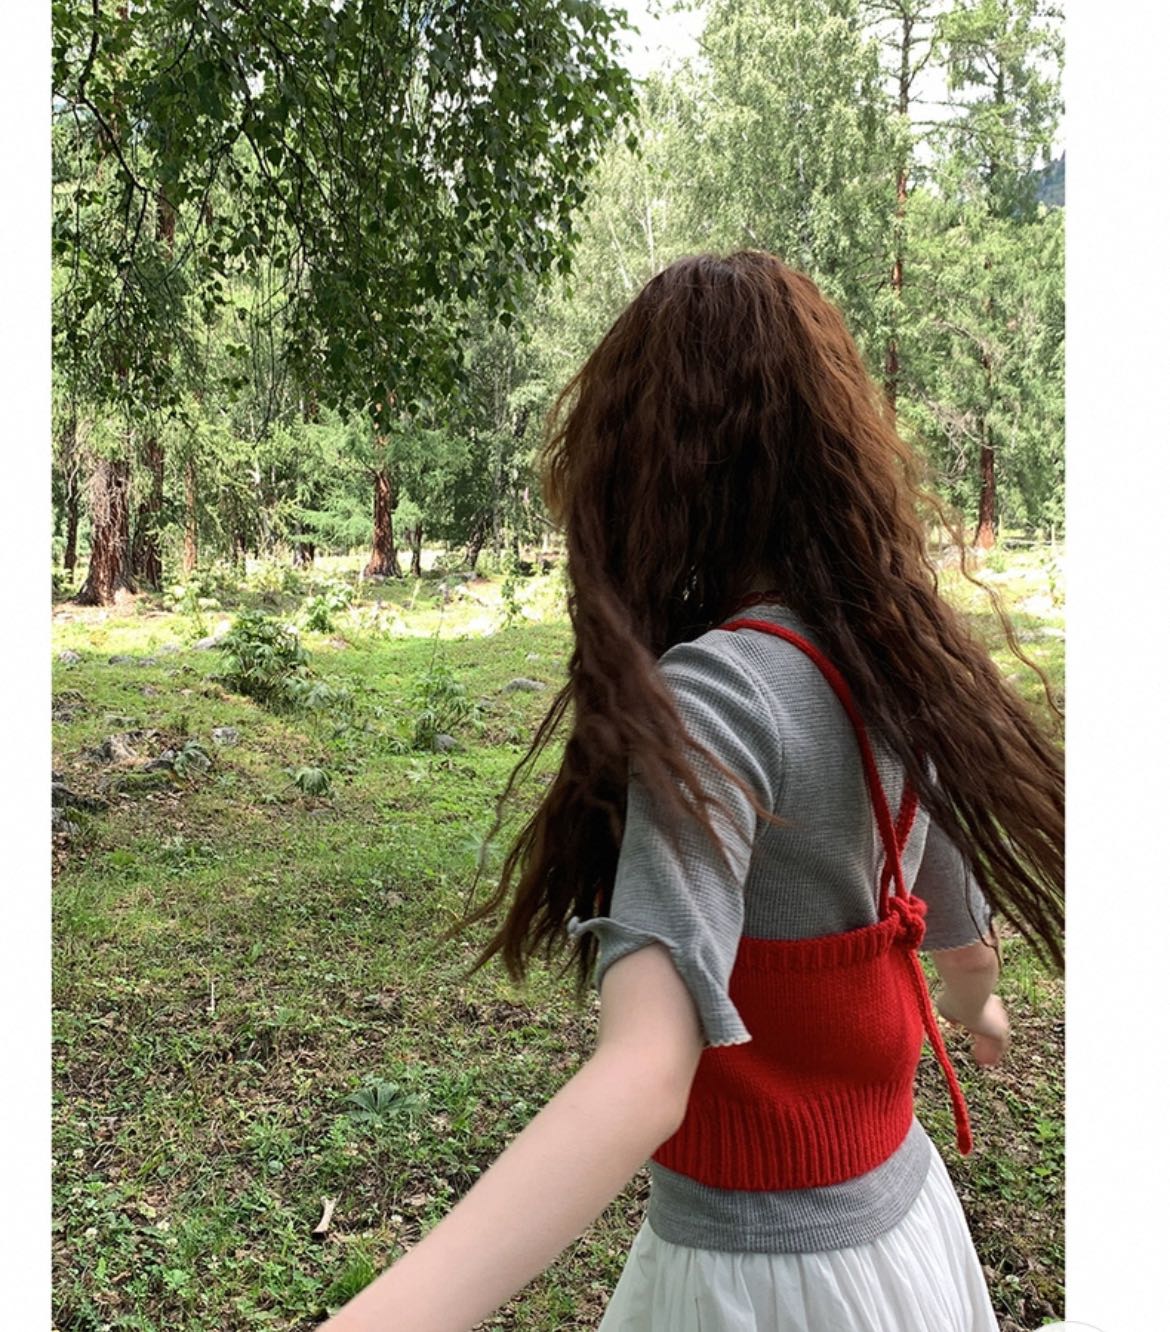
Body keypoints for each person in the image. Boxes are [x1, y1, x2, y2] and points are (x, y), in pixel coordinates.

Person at [319, 251, 1064, 1332]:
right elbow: (960, 939)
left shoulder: (720, 694)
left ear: (649, 461)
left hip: (759, 1280)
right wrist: (975, 1006)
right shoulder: (903, 664)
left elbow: (645, 1073)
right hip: (909, 1234)